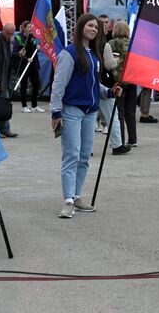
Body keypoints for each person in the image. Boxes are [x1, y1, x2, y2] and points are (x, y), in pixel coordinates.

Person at [50, 13, 123, 219]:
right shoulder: (69, 53)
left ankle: (77, 195)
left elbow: (93, 84)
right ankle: (68, 201)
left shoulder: (93, 55)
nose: (94, 29)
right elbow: (58, 84)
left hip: (90, 112)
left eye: (96, 27)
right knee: (71, 155)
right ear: (81, 27)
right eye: (90, 26)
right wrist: (56, 111)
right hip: (72, 111)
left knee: (84, 156)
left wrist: (109, 92)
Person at [109, 20, 138, 146]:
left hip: (118, 82)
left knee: (119, 112)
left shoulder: (111, 44)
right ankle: (133, 140)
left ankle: (120, 140)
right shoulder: (133, 44)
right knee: (130, 112)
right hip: (132, 80)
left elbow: (111, 63)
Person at [13, 20, 44, 113]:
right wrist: (26, 59)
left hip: (33, 64)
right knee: (24, 84)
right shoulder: (18, 38)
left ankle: (34, 105)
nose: (31, 29)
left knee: (36, 84)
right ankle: (24, 106)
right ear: (24, 28)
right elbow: (16, 52)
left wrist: (37, 48)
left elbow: (33, 48)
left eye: (31, 27)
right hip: (23, 64)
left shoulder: (32, 37)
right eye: (29, 27)